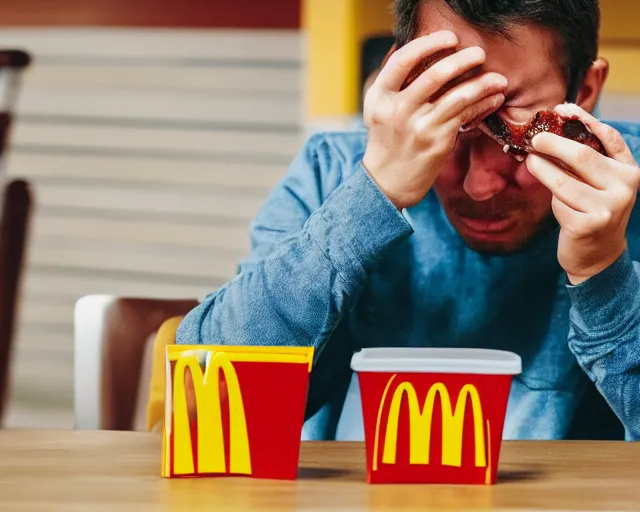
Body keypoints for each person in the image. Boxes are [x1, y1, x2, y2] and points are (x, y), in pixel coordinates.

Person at [176, 0, 640, 441]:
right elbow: (205, 408)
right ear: (402, 84)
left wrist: (604, 274)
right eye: (451, 128)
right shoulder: (332, 173)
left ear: (584, 91)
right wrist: (372, 196)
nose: (483, 187)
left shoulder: (628, 190)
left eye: (520, 138)